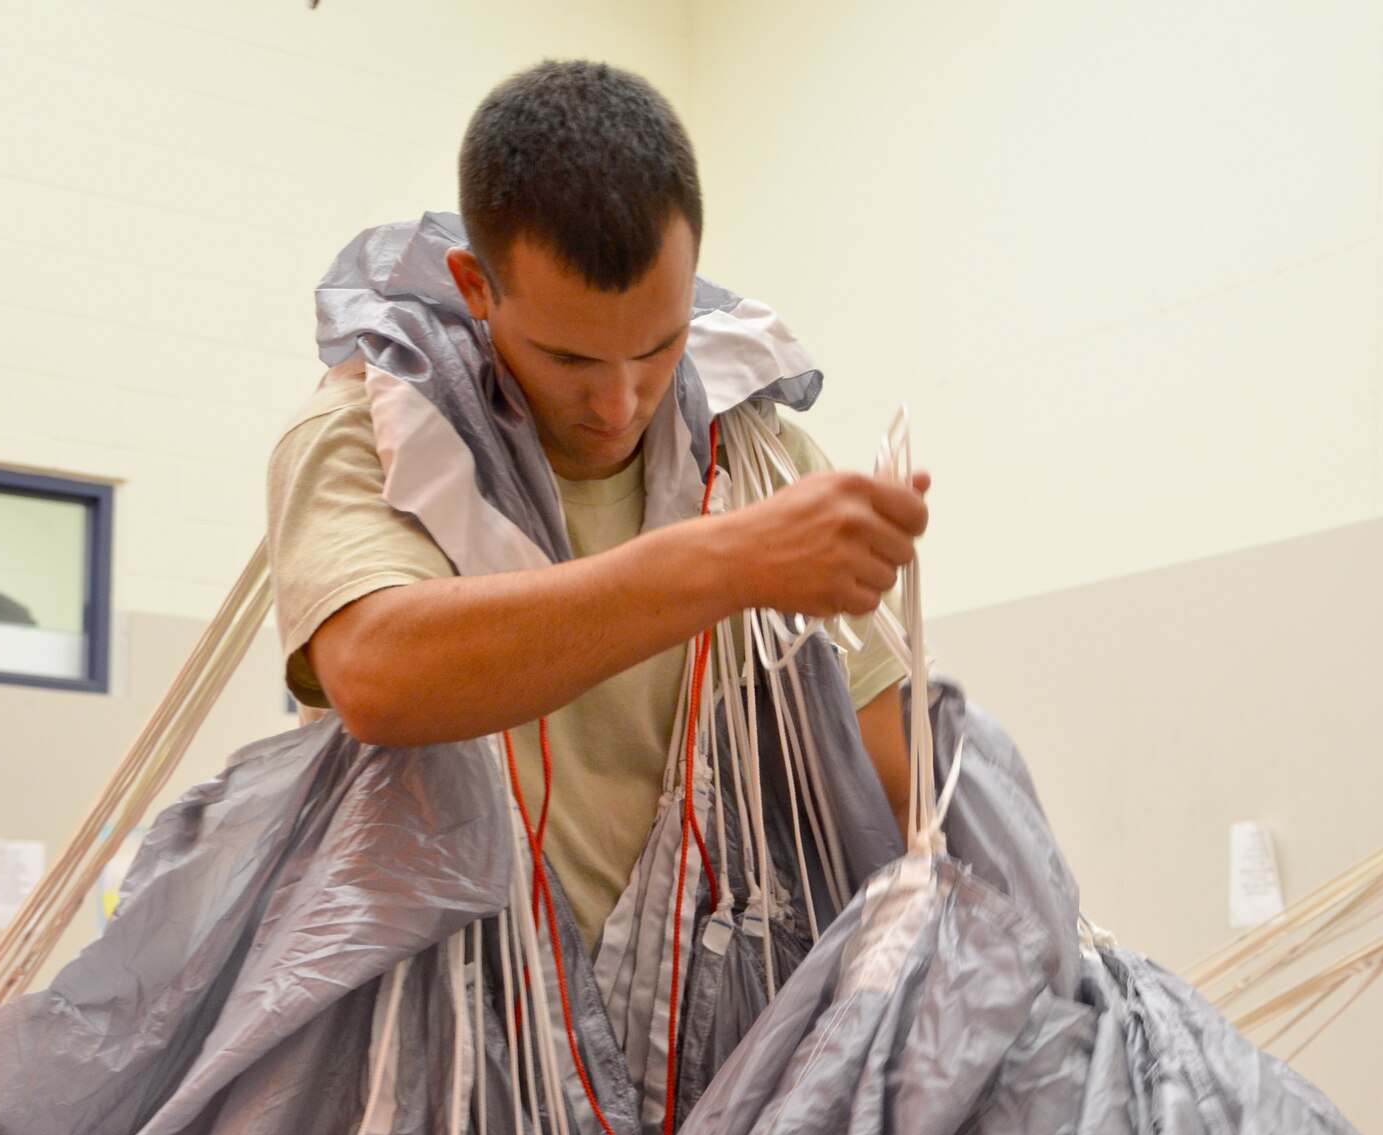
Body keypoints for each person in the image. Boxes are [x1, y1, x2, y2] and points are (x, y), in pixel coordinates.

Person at [268, 59, 929, 951]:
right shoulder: (373, 432)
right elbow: (378, 674)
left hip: (726, 1051)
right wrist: (726, 562)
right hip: (459, 1054)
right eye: (571, 360)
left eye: (658, 348)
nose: (619, 405)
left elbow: (894, 787)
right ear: (474, 287)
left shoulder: (757, 463)